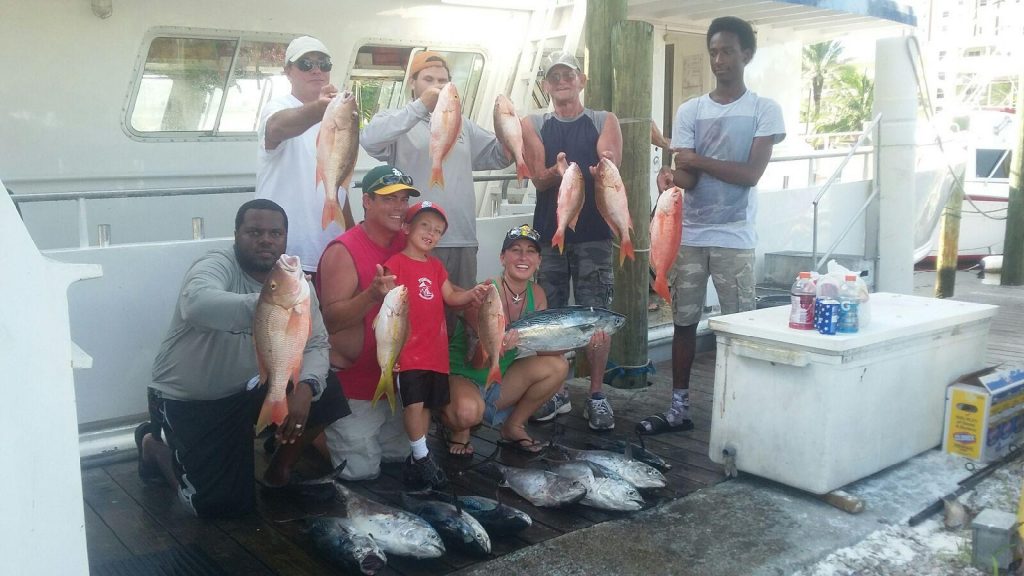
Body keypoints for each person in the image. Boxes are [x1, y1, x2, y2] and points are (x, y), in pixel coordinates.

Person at [136, 199, 350, 518]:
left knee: (325, 388)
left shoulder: (298, 286)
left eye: (275, 233)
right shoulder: (215, 264)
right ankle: (153, 448)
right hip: (196, 396)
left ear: (285, 238)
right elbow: (196, 304)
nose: (266, 239)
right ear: (236, 234)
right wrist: (271, 305)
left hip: (251, 387)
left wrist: (305, 389)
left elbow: (317, 343)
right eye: (254, 232)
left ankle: (278, 472)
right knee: (213, 506)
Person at [638, 16, 786, 434]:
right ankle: (679, 406)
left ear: (746, 55)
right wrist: (670, 179)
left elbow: (751, 173)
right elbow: (688, 177)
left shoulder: (763, 110)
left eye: (727, 51)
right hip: (688, 236)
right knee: (683, 322)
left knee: (740, 326)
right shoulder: (691, 111)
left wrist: (695, 160)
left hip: (735, 236)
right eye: (713, 52)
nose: (719, 60)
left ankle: (739, 408)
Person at [519, 50, 623, 431]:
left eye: (569, 75)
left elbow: (610, 162)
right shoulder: (533, 123)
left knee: (596, 314)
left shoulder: (603, 119)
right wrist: (556, 173)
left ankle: (596, 394)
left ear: (581, 80)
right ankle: (555, 389)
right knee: (552, 315)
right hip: (551, 235)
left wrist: (602, 166)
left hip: (595, 236)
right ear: (546, 85)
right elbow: (536, 177)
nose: (562, 81)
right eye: (554, 77)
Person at [360, 51, 513, 292]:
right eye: (428, 79)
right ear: (412, 83)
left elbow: (498, 155)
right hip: (414, 240)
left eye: (442, 81)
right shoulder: (397, 120)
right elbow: (369, 139)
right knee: (416, 310)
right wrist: (420, 107)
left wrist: (512, 128)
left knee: (463, 314)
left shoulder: (464, 124)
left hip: (462, 237)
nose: (436, 86)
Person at [316, 164, 418, 481]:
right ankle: (315, 433)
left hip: (394, 382)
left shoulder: (410, 245)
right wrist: (370, 296)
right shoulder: (343, 250)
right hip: (353, 386)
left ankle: (340, 434)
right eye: (389, 199)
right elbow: (329, 322)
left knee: (399, 457)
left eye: (403, 199)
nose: (399, 207)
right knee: (359, 473)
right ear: (367, 201)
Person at [383, 201, 489, 486]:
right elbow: (389, 313)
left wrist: (472, 294)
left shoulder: (436, 265)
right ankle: (420, 457)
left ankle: (419, 454)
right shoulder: (396, 264)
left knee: (428, 406)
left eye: (438, 230)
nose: (431, 233)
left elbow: (451, 298)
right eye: (425, 226)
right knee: (414, 405)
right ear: (406, 228)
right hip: (409, 354)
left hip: (435, 354)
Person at [443, 224, 568, 455]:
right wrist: (496, 347)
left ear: (539, 260)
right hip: (465, 375)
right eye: (515, 250)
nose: (523, 257)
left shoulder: (537, 294)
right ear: (502, 258)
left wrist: (584, 339)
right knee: (468, 413)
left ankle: (513, 425)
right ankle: (458, 428)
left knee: (558, 366)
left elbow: (543, 349)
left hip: (499, 379)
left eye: (531, 251)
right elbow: (476, 362)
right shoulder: (486, 292)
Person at [257, 35, 351, 281]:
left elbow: (341, 181)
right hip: (287, 256)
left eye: (324, 64)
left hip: (333, 251)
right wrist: (319, 109)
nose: (317, 70)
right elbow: (277, 127)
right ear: (288, 71)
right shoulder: (276, 108)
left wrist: (353, 238)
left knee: (332, 320)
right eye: (306, 64)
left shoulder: (338, 114)